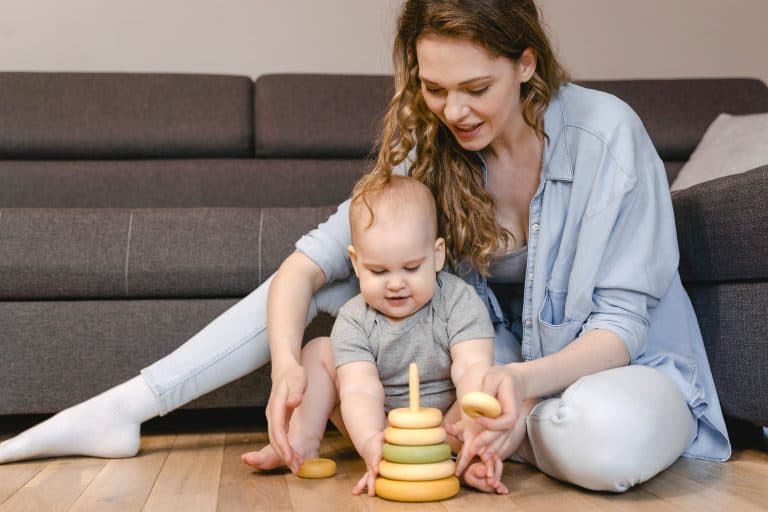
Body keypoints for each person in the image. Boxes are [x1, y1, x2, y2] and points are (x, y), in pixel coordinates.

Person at [0, 0, 730, 494]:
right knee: (371, 264)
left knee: (601, 441)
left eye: (475, 87)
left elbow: (622, 329)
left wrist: (518, 388)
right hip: (494, 369)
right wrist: (290, 365)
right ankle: (128, 405)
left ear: (527, 64)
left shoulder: (609, 133)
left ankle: (483, 428)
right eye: (435, 89)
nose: (454, 111)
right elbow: (306, 267)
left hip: (614, 369)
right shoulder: (432, 140)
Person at [241, 174, 503, 495]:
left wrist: (470, 420)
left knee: (491, 385)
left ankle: (465, 457)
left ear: (436, 255)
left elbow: (472, 366)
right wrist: (371, 444)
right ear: (356, 263)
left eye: (410, 268)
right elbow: (360, 390)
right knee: (318, 351)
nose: (395, 283)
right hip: (378, 427)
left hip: (445, 428)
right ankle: (299, 444)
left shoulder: (459, 301)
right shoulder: (355, 319)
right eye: (379, 271)